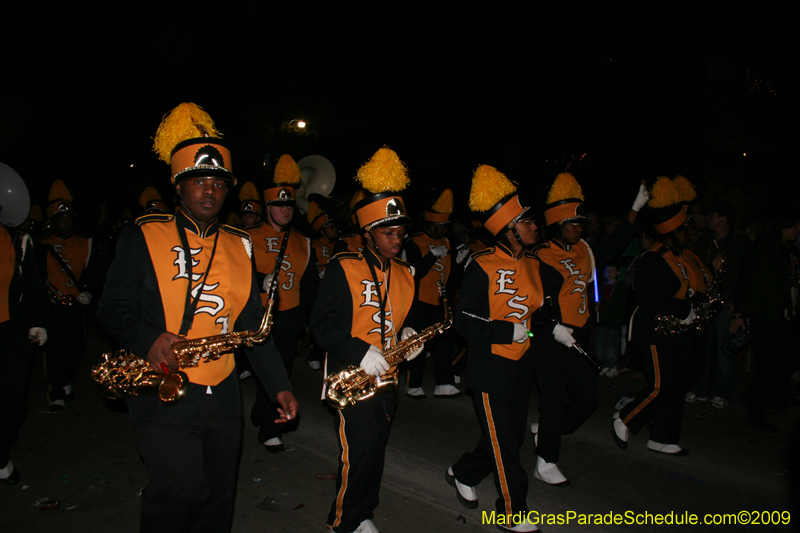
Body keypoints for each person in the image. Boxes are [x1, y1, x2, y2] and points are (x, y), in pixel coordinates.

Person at [97, 102, 297, 532]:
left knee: (219, 499)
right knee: (181, 492)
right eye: (198, 181)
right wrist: (148, 337)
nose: (209, 191)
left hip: (222, 394)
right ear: (179, 187)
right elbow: (111, 307)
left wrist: (279, 386)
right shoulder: (142, 234)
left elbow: (253, 328)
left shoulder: (241, 246)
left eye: (218, 184)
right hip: (161, 387)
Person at [311, 147, 422, 533]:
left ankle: (364, 513)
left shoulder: (407, 272)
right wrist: (361, 351)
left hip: (387, 379)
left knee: (376, 451)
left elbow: (406, 318)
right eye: (389, 233)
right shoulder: (345, 266)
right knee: (358, 453)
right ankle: (342, 522)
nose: (397, 240)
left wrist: (407, 334)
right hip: (350, 379)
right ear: (368, 233)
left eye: (401, 232)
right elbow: (321, 327)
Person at [446, 165, 543, 532]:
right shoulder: (482, 265)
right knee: (506, 445)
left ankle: (463, 471)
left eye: (533, 221)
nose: (535, 226)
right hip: (490, 366)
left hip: (521, 365)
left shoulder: (532, 262)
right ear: (508, 228)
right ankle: (512, 511)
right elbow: (464, 323)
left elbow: (536, 310)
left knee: (510, 437)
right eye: (527, 222)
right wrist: (506, 330)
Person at [612, 177, 701, 456]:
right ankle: (625, 417)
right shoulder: (653, 257)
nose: (690, 232)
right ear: (674, 231)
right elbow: (648, 299)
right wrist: (683, 308)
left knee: (678, 384)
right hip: (652, 329)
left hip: (676, 329)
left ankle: (662, 437)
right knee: (662, 385)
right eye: (685, 228)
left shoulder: (682, 255)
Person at [529, 172, 599, 485]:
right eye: (573, 223)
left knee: (588, 399)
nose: (579, 228)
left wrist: (634, 212)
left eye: (581, 223)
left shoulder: (585, 249)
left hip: (578, 333)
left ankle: (548, 429)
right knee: (554, 400)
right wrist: (552, 327)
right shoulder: (542, 255)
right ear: (559, 224)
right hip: (550, 336)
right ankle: (545, 460)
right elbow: (533, 304)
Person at [246, 155, 319, 452]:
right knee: (261, 367)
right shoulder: (246, 237)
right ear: (267, 209)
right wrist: (261, 277)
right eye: (278, 205)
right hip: (255, 314)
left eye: (288, 205)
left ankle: (268, 427)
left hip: (289, 316)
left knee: (280, 371)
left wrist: (317, 319)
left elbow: (312, 284)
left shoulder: (304, 241)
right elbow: (236, 276)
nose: (285, 210)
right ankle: (261, 412)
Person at [732, 206, 800, 432]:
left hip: (781, 316)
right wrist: (739, 314)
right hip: (760, 314)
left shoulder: (788, 252)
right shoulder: (759, 249)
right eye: (794, 225)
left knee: (789, 358)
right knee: (766, 363)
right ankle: (756, 411)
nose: (798, 230)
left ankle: (756, 397)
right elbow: (742, 282)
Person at [36, 180, 98, 411]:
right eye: (61, 219)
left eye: (69, 218)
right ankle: (56, 392)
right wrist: (50, 296)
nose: (66, 222)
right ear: (52, 222)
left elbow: (93, 274)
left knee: (76, 346)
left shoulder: (86, 243)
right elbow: (36, 278)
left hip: (75, 307)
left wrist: (88, 293)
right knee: (52, 349)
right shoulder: (40, 245)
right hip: (52, 307)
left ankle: (65, 380)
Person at [686, 199, 749, 409]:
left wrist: (737, 307)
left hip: (724, 305)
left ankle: (723, 393)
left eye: (712, 215)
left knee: (724, 352)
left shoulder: (739, 243)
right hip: (705, 303)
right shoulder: (705, 241)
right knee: (701, 349)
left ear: (723, 218)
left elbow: (742, 278)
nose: (708, 218)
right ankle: (700, 389)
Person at [0, 223, 49, 485]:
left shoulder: (17, 239)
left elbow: (32, 285)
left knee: (12, 403)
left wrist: (36, 321)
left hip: (8, 330)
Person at [403, 188, 460, 399]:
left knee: (444, 343)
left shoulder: (445, 242)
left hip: (440, 301)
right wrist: (430, 257)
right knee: (418, 342)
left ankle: (443, 383)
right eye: (442, 227)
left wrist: (461, 263)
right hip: (420, 300)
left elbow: (448, 273)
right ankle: (413, 384)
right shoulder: (414, 242)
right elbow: (411, 273)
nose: (446, 231)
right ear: (433, 226)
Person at [307, 200, 339, 370]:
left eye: (334, 226)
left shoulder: (339, 244)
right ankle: (314, 353)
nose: (334, 229)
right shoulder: (313, 245)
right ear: (322, 230)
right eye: (330, 227)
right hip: (318, 289)